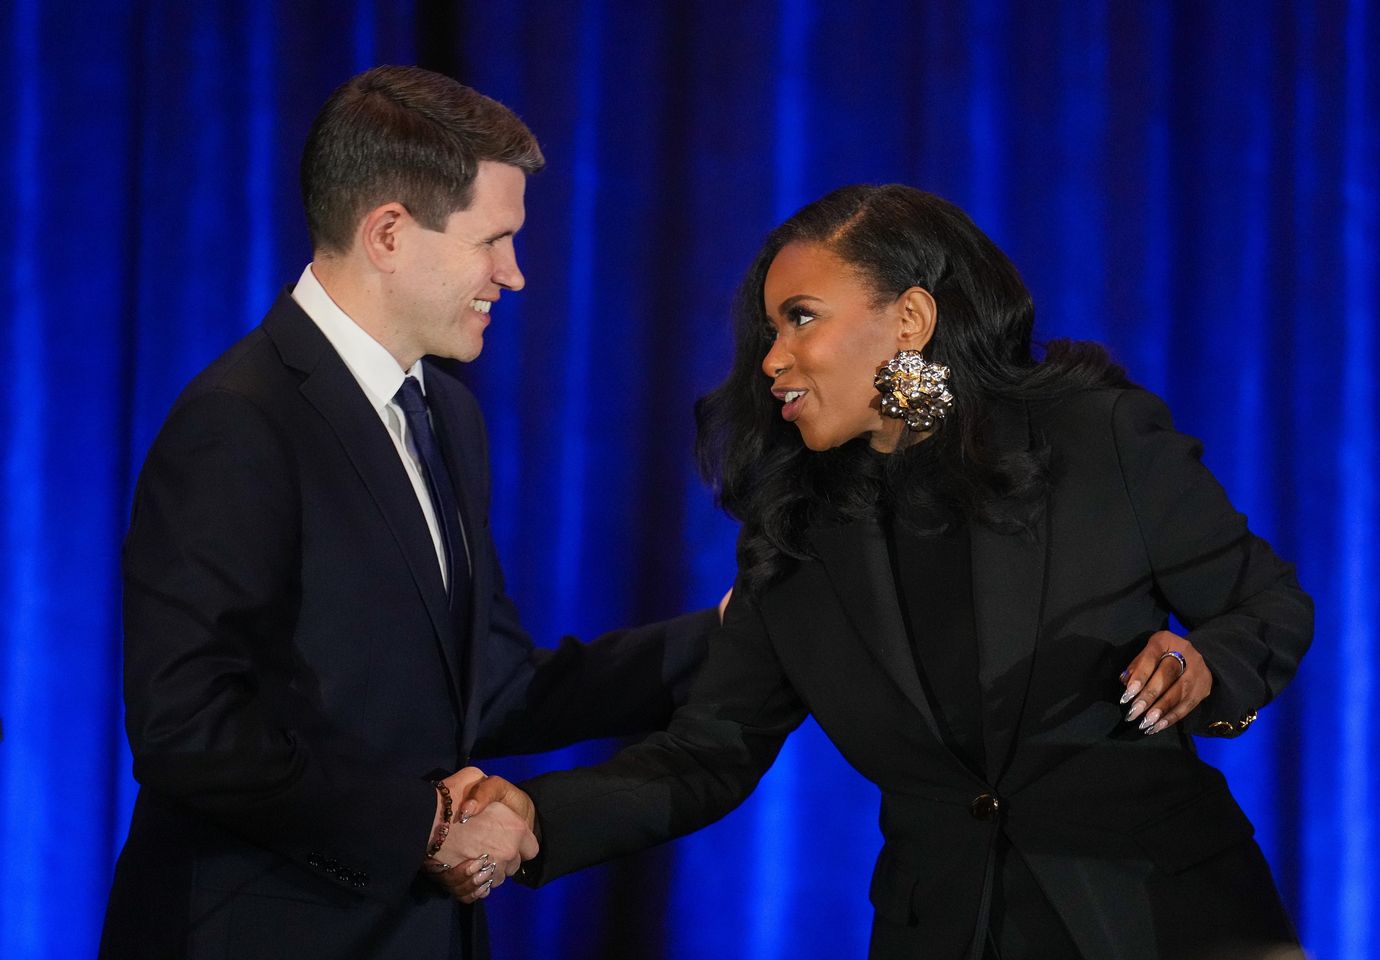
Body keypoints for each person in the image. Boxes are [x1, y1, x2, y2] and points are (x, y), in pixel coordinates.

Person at [456, 184, 1314, 959]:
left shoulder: (1095, 436)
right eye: (769, 329)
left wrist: (1207, 668)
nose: (771, 358)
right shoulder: (795, 529)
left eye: (801, 318)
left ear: (910, 318)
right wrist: (536, 818)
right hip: (944, 930)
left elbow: (1266, 602)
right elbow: (708, 754)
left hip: (1169, 916)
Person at [100, 65, 714, 960]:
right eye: (493, 241)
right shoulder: (239, 420)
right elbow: (189, 728)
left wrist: (725, 637)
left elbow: (493, 687)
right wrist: (425, 825)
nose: (514, 275)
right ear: (388, 233)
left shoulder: (447, 416)